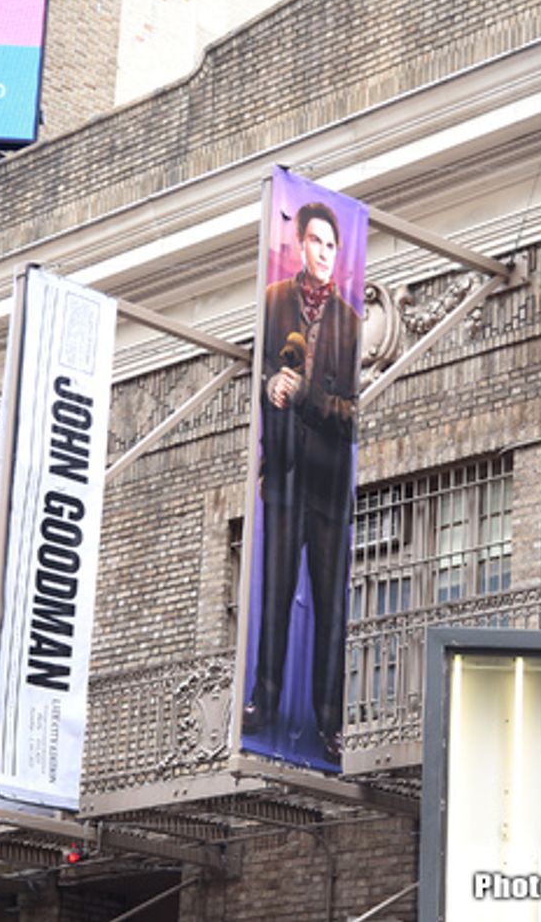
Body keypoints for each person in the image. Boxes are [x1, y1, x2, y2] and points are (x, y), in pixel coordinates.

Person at [244, 201, 360, 762]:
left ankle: (328, 719)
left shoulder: (350, 323)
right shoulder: (273, 303)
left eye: (332, 245)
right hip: (286, 476)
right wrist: (271, 387)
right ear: (300, 246)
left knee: (330, 604)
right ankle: (263, 703)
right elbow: (263, 368)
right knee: (275, 591)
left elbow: (352, 413)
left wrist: (308, 397)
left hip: (331, 487)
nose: (323, 253)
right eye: (315, 242)